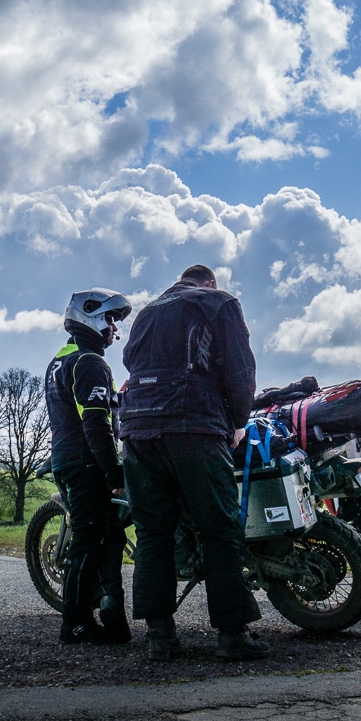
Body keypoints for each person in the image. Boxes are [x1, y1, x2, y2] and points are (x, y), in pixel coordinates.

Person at [118, 265, 269, 661]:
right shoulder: (220, 303)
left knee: (153, 534)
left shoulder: (147, 312)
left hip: (137, 430)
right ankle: (232, 635)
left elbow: (130, 361)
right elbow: (241, 371)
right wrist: (237, 423)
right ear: (210, 283)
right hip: (194, 425)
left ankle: (159, 636)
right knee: (219, 529)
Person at [44, 287, 133, 644]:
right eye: (110, 318)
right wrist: (113, 471)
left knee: (110, 534)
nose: (114, 328)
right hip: (86, 462)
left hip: (66, 457)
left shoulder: (60, 360)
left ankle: (111, 609)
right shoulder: (90, 362)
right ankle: (75, 622)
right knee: (89, 538)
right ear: (91, 315)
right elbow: (95, 423)